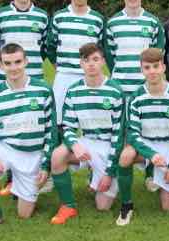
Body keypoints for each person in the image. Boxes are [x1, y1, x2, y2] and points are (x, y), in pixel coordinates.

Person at [0, 43, 55, 232]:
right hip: (5, 148)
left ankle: (22, 183)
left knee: (24, 214)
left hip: (32, 155)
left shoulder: (43, 90)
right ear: (0, 65)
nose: (13, 67)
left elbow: (51, 131)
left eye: (18, 62)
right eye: (8, 63)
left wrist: (45, 165)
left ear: (26, 62)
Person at [49, 43, 126, 225]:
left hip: (109, 145)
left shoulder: (115, 91)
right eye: (86, 60)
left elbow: (118, 136)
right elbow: (67, 126)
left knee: (102, 206)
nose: (91, 64)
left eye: (95, 59)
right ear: (81, 64)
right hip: (87, 141)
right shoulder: (74, 90)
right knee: (58, 155)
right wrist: (75, 145)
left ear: (103, 62)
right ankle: (68, 205)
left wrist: (109, 173)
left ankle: (101, 176)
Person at [115, 48, 169, 226]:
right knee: (125, 156)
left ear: (163, 67)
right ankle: (126, 205)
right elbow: (133, 134)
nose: (152, 71)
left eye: (156, 66)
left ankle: (159, 175)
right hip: (145, 144)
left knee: (167, 207)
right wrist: (151, 154)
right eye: (147, 67)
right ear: (142, 70)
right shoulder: (136, 97)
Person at [0, 0, 49, 197]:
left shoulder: (42, 16)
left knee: (33, 128)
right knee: (8, 128)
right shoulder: (0, 15)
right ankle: (10, 179)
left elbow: (44, 49)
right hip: (6, 82)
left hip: (33, 82)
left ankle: (37, 175)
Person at [47, 0, 106, 126]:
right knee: (59, 121)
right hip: (64, 75)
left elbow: (102, 48)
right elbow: (50, 46)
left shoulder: (97, 19)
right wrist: (59, 66)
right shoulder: (59, 17)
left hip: (89, 76)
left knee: (92, 122)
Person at [105, 0, 165, 97]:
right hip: (119, 86)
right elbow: (109, 55)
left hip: (146, 87)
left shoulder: (153, 22)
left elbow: (158, 54)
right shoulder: (112, 23)